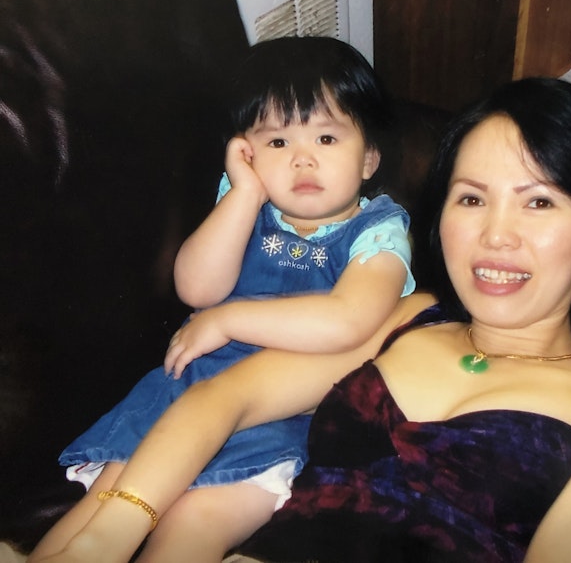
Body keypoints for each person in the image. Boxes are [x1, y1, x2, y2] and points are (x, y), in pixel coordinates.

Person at [29, 78, 571, 563]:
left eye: (538, 203)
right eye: (471, 199)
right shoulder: (412, 317)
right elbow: (228, 395)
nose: (496, 237)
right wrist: (107, 535)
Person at [28, 36, 415, 562]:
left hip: (288, 414)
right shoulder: (243, 203)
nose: (302, 160)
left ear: (369, 158)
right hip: (187, 389)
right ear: (248, 152)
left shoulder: (379, 231)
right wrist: (245, 194)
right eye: (277, 143)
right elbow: (196, 288)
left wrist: (231, 319)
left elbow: (349, 319)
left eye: (326, 139)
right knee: (102, 503)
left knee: (195, 525)